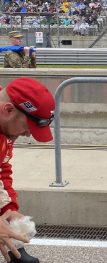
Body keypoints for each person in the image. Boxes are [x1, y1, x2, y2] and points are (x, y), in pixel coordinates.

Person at [0, 77, 55, 263]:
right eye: (27, 127)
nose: (28, 134)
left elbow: (2, 169)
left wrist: (7, 209)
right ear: (8, 110)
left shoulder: (5, 128)